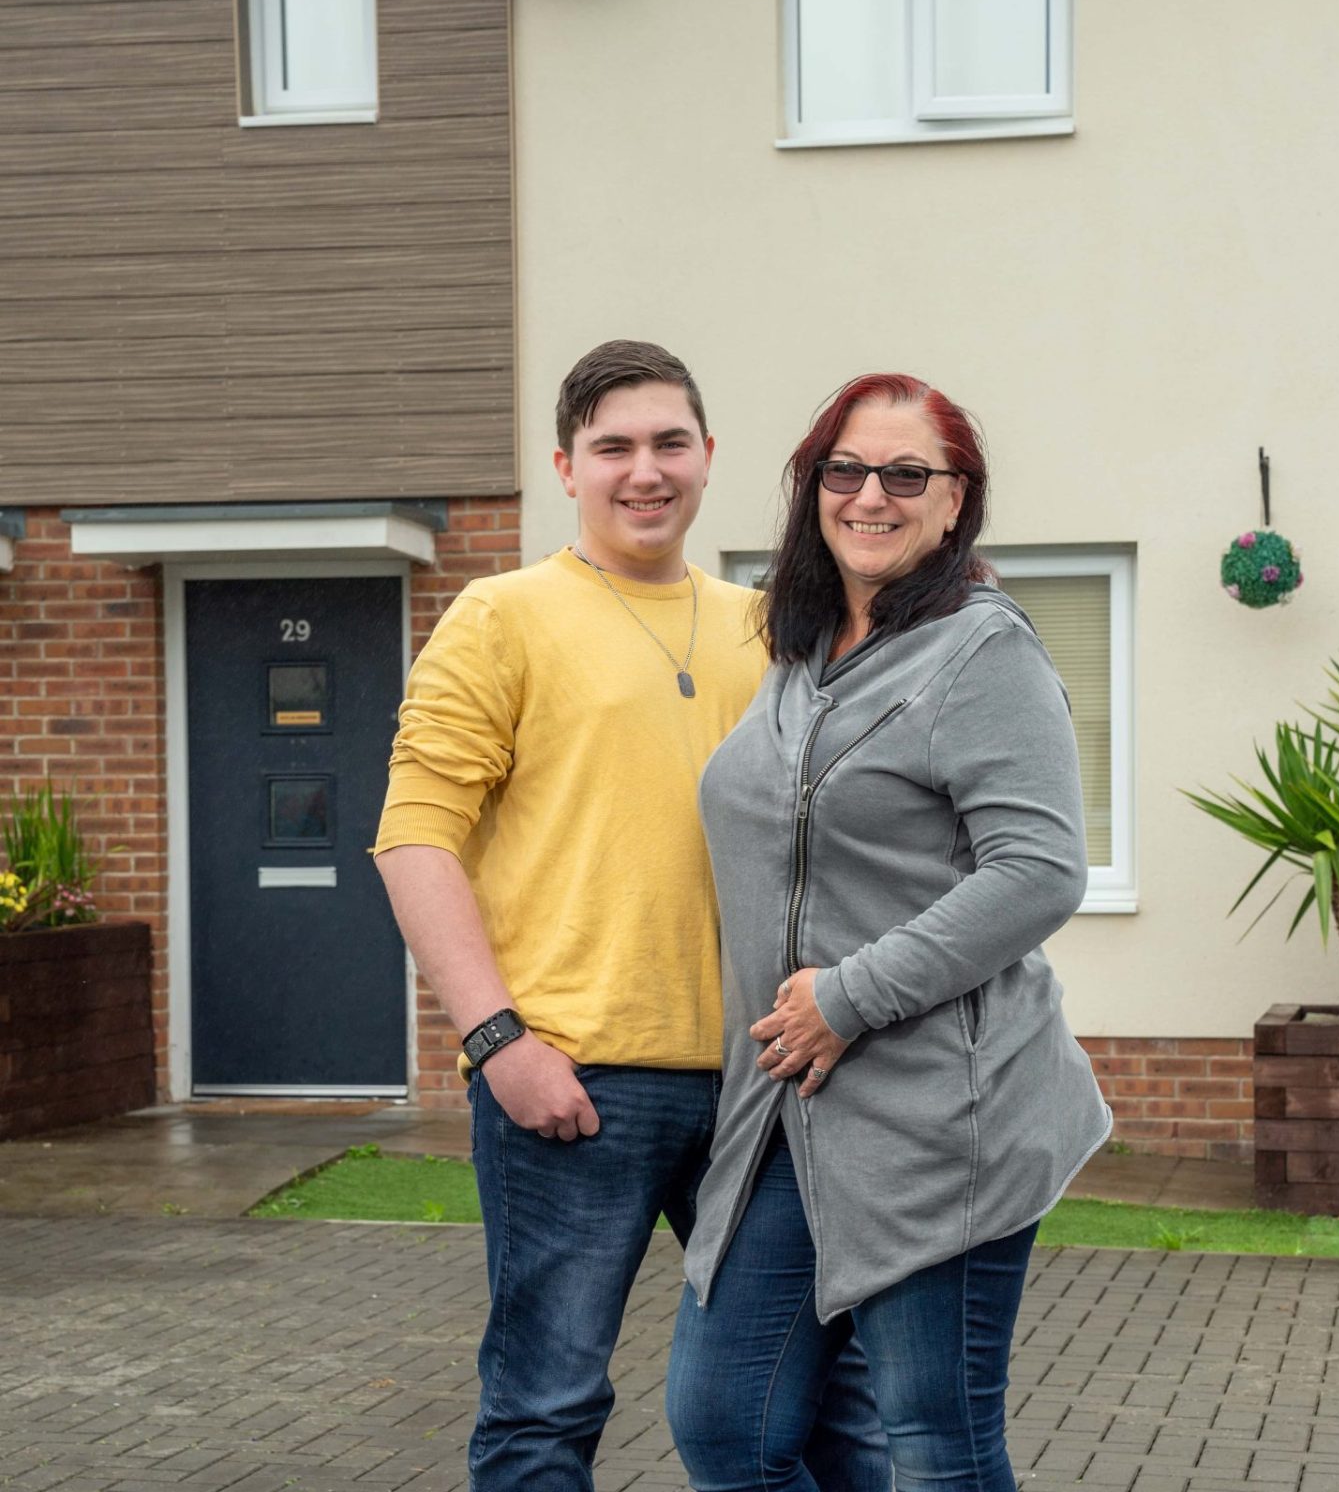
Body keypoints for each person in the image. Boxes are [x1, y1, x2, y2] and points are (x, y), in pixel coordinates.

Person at [372, 340, 889, 1492]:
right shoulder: (500, 616)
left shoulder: (777, 630)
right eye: (613, 446)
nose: (642, 470)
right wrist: (496, 1040)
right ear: (566, 465)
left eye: (667, 443)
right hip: (576, 1087)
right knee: (545, 1408)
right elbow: (414, 838)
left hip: (768, 1084)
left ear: (708, 458)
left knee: (827, 1405)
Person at [667, 373, 1114, 1492]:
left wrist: (847, 997)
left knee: (935, 1443)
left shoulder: (981, 651)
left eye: (907, 473)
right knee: (723, 1422)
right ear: (814, 486)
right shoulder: (802, 647)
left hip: (937, 1116)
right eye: (846, 469)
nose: (872, 494)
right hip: (784, 1107)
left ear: (956, 501)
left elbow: (1041, 869)